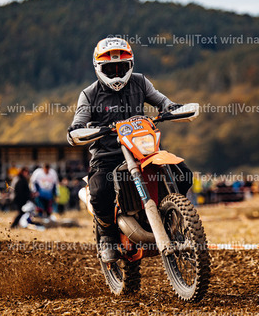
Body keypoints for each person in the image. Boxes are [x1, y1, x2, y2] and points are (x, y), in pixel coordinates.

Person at [67, 36, 193, 263]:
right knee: (99, 191)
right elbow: (79, 120)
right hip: (108, 155)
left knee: (183, 174)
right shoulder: (89, 94)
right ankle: (107, 236)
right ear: (98, 68)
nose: (116, 73)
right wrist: (78, 129)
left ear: (130, 65)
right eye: (110, 69)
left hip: (144, 149)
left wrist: (171, 107)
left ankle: (173, 216)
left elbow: (162, 101)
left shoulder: (140, 82)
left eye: (121, 67)